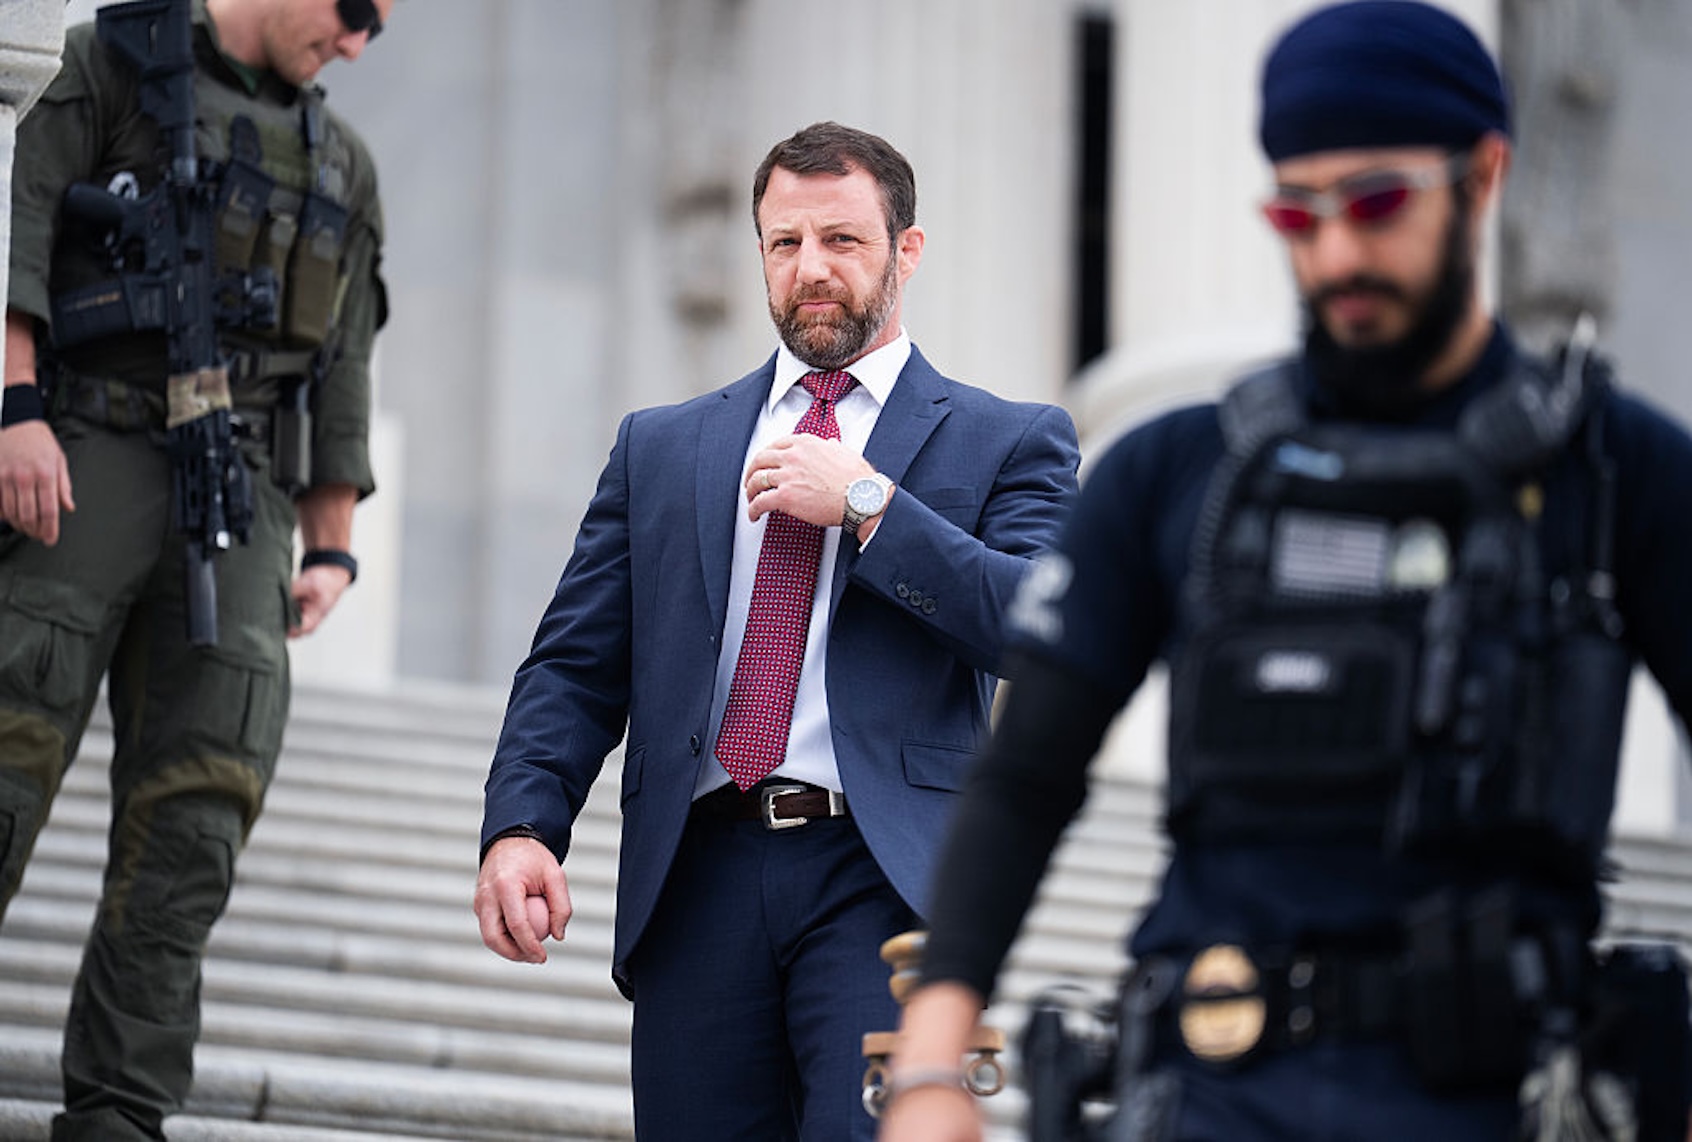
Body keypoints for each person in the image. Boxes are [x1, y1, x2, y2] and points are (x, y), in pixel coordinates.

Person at [881, 3, 1692, 1141]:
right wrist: (928, 1069)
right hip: (1212, 1087)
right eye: (1298, 213)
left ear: (1485, 175)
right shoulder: (1176, 471)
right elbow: (1024, 775)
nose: (1339, 253)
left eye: (1377, 202)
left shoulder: (1618, 472)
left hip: (1497, 1100)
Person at [473, 120, 1080, 1140]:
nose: (813, 269)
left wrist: (873, 505)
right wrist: (523, 822)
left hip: (886, 878)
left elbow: (1037, 625)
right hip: (698, 874)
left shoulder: (1010, 436)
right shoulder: (663, 446)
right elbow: (576, 663)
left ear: (907, 251)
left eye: (843, 240)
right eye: (785, 242)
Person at [0, 0, 390, 1136]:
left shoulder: (343, 161)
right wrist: (15, 410)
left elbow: (344, 364)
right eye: (355, 9)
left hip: (241, 495)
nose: (360, 43)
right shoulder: (115, 58)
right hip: (84, 446)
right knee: (10, 744)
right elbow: (20, 224)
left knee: (196, 814)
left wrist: (331, 542)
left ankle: (121, 1105)